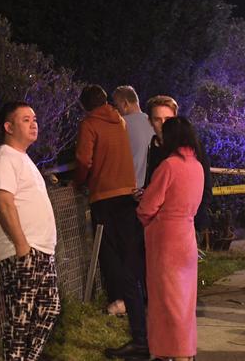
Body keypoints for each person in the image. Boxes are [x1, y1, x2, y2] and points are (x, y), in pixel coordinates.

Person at [74, 85, 148, 359]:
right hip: (127, 196)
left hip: (103, 196)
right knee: (129, 254)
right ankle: (136, 308)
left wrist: (79, 181)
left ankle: (119, 301)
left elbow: (83, 159)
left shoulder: (90, 124)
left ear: (85, 106)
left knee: (108, 254)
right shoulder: (120, 121)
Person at [0, 101, 61, 360]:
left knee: (49, 309)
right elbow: (4, 202)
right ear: (8, 127)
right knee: (21, 320)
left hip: (40, 251)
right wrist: (21, 245)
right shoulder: (3, 158)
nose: (34, 123)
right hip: (22, 251)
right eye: (25, 120)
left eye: (34, 118)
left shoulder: (23, 159)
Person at [137, 117, 204, 361]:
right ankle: (186, 351)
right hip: (186, 236)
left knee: (165, 301)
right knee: (184, 301)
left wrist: (145, 216)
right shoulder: (196, 165)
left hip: (165, 239)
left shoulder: (169, 166)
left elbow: (148, 206)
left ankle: (171, 351)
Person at [145, 95, 213, 239]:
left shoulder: (192, 148)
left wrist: (196, 221)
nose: (163, 125)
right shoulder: (151, 147)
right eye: (157, 119)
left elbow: (205, 186)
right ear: (150, 121)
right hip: (155, 225)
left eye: (168, 120)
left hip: (185, 226)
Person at [112, 85, 155, 190]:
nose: (116, 110)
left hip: (127, 188)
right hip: (149, 186)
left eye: (117, 106)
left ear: (125, 104)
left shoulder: (121, 125)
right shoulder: (153, 123)